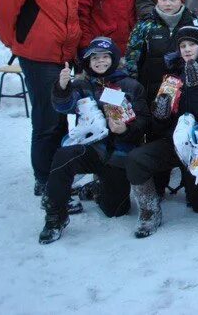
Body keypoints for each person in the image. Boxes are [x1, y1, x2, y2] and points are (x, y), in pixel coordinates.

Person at [0, 0, 82, 196]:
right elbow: (4, 9)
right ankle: (44, 178)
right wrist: (18, 44)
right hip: (39, 56)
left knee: (63, 117)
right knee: (48, 119)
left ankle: (59, 173)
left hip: (64, 56)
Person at [38, 38, 149, 244]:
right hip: (91, 149)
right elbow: (64, 107)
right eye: (94, 58)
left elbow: (143, 120)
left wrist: (126, 129)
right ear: (88, 62)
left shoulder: (131, 85)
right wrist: (62, 88)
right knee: (64, 155)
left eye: (105, 57)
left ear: (114, 59)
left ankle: (96, 188)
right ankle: (55, 216)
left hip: (119, 154)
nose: (100, 62)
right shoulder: (81, 84)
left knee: (116, 210)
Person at [125, 26, 198, 238]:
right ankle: (149, 211)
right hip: (173, 142)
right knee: (136, 159)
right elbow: (160, 126)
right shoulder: (172, 78)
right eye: (183, 46)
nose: (187, 49)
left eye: (192, 45)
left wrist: (197, 86)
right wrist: (161, 115)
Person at [122, 0, 198, 112]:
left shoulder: (193, 23)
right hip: (150, 89)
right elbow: (132, 58)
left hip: (184, 90)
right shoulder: (145, 25)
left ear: (182, 0)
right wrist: (134, 86)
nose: (167, 3)